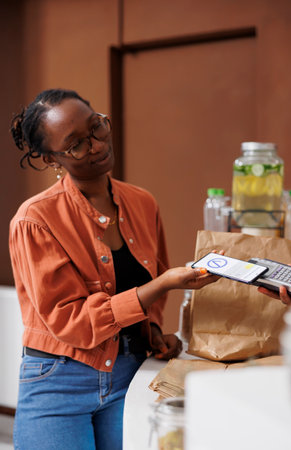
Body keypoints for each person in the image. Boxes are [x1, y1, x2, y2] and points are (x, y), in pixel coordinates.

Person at [9, 88, 220, 450]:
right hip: (58, 382)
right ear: (51, 159)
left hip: (130, 372)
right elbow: (70, 320)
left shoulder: (142, 202)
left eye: (97, 127)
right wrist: (162, 287)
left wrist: (152, 331)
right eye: (75, 144)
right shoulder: (35, 220)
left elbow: (152, 274)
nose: (95, 145)